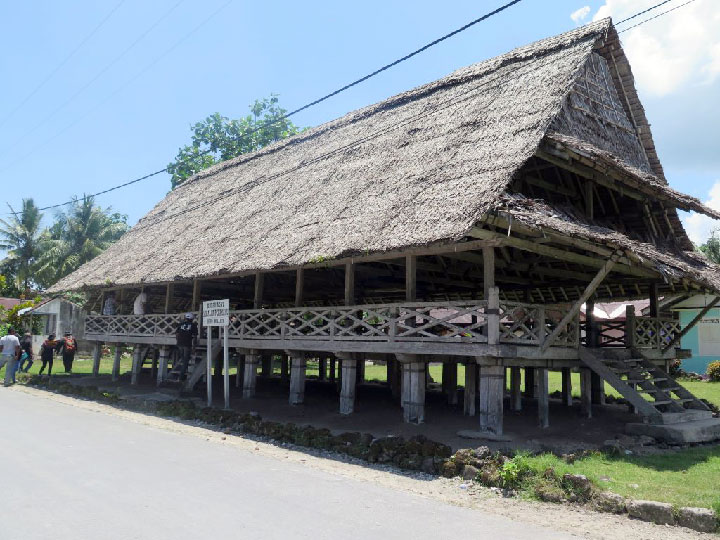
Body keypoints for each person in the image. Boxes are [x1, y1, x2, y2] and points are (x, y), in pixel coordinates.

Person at [174, 313, 198, 380]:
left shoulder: (181, 324)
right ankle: (181, 377)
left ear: (186, 318)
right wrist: (194, 347)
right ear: (192, 319)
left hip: (179, 344)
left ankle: (182, 375)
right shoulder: (193, 325)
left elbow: (177, 334)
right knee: (185, 361)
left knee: (183, 360)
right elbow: (195, 337)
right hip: (187, 344)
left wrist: (178, 341)